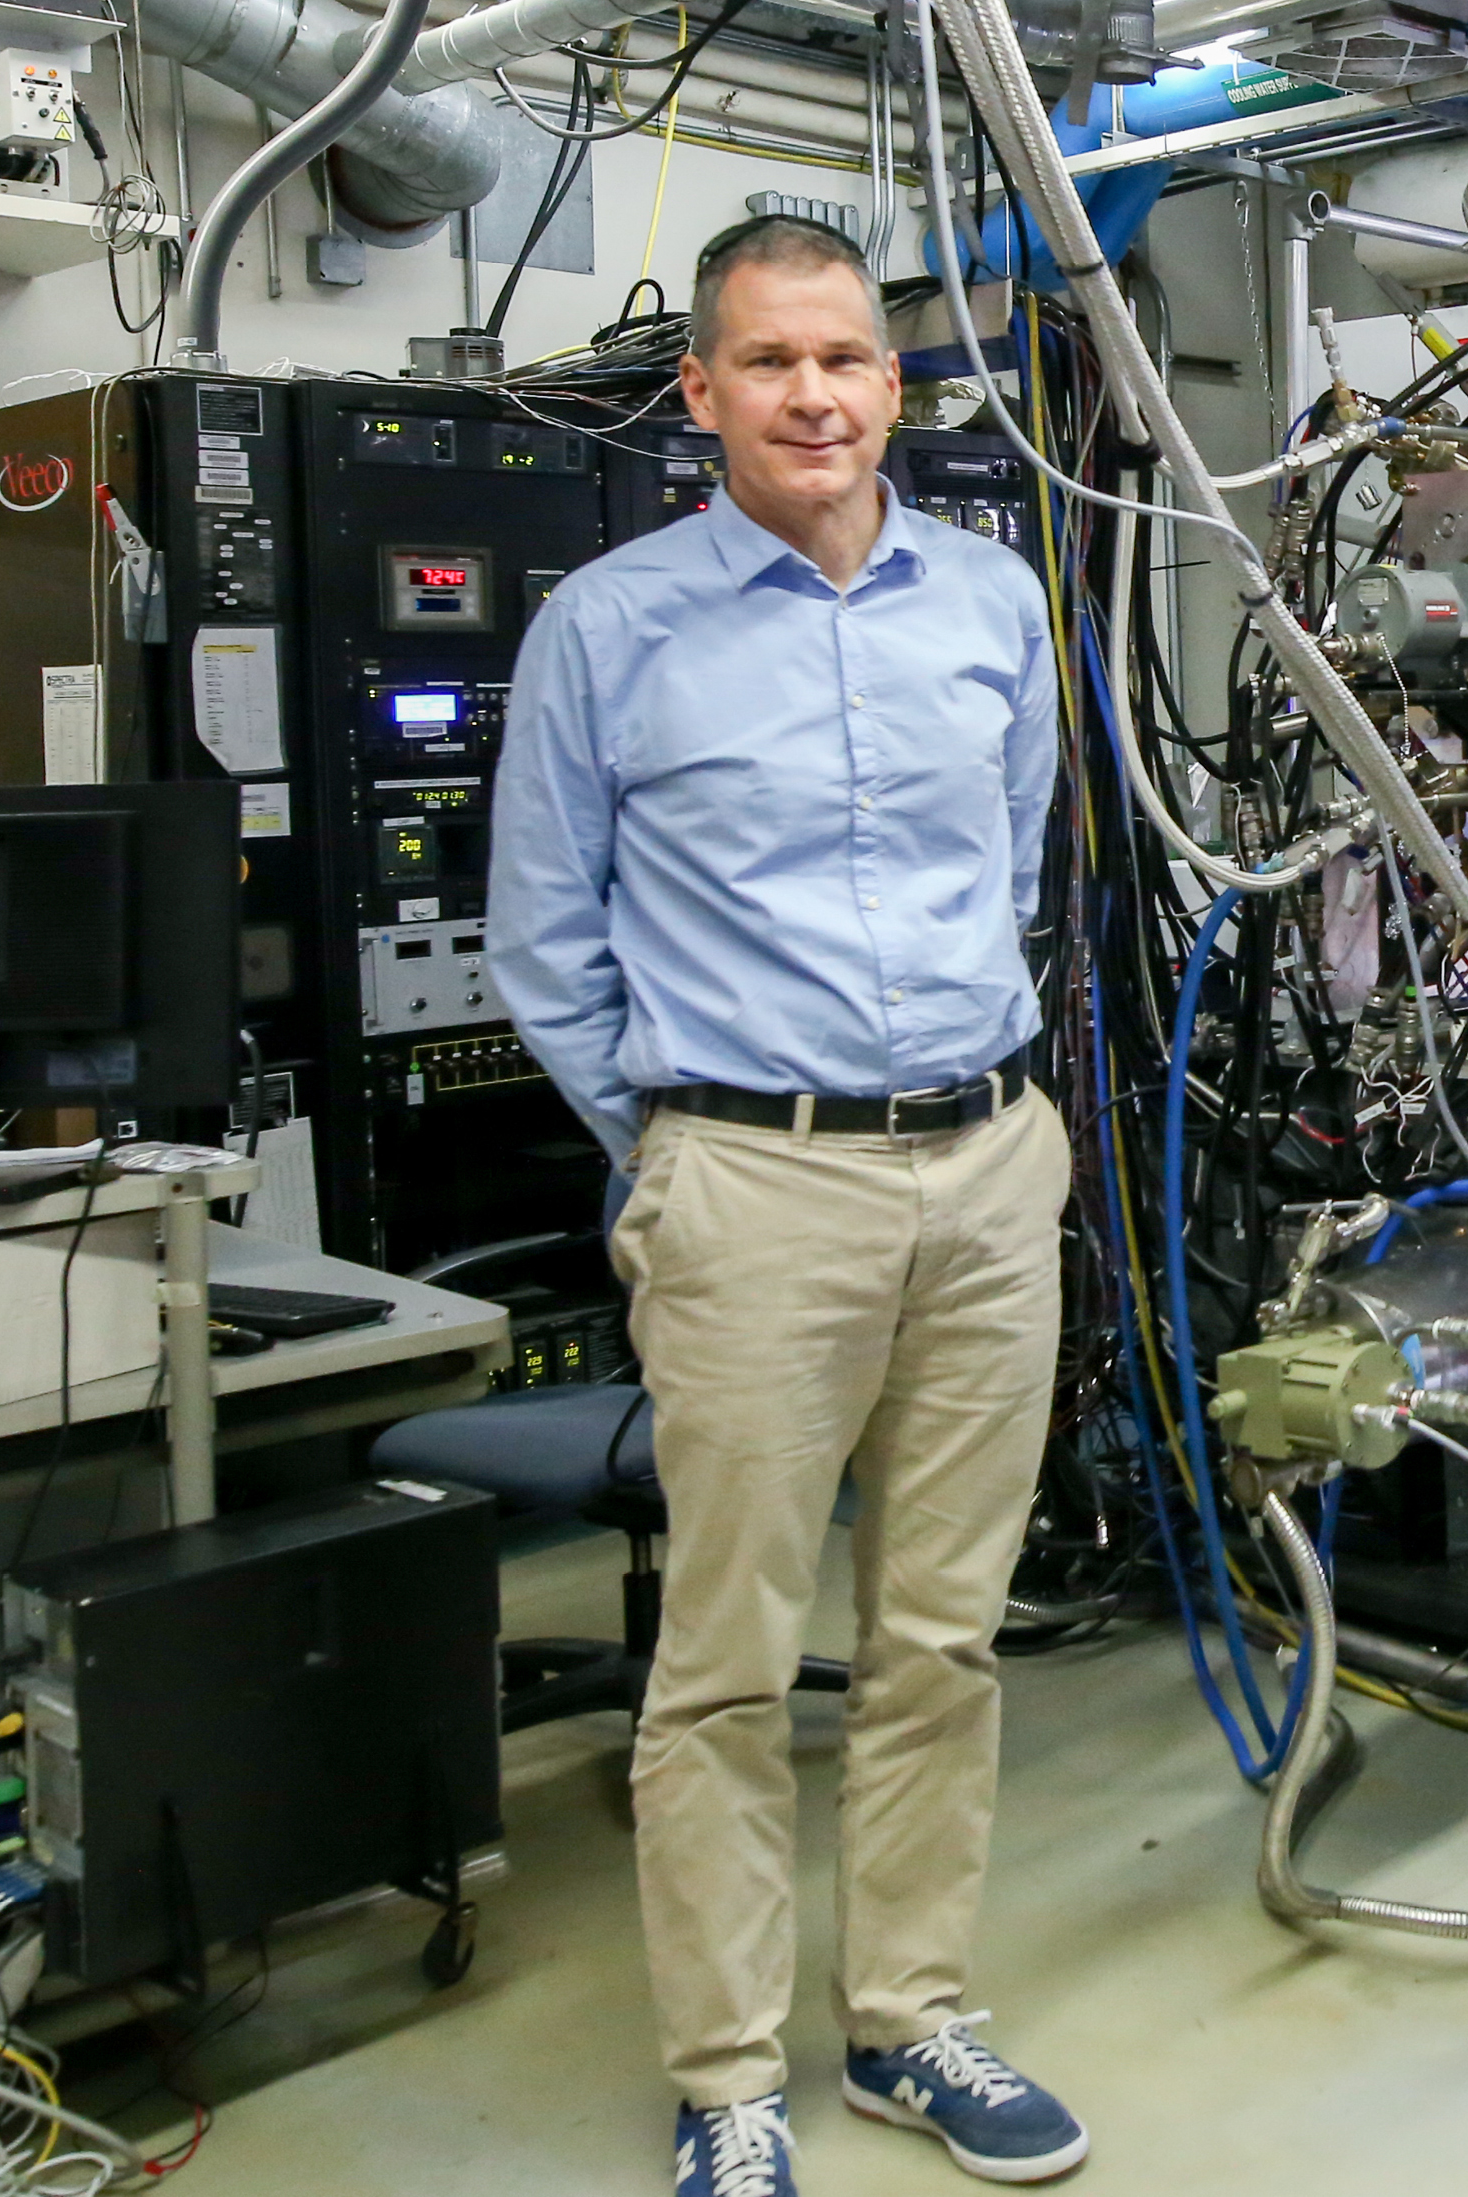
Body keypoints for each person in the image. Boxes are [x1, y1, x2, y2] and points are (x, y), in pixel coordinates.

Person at [493, 216, 1085, 2196]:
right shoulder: (608, 626)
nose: (812, 396)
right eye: (768, 363)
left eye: (844, 359)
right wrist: (679, 1148)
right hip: (750, 1183)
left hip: (990, 1166)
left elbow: (1003, 871)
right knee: (729, 1662)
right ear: (704, 394)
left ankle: (911, 2019)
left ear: (895, 386)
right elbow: (543, 941)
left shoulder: (994, 604)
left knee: (940, 1636)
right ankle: (727, 2075)